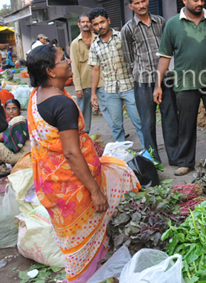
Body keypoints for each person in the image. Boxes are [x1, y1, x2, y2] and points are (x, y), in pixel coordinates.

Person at [25, 44, 140, 282]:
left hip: (51, 185)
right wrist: (95, 192)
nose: (69, 61)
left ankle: (96, 271)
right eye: (62, 59)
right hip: (74, 188)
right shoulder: (62, 105)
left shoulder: (36, 96)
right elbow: (71, 153)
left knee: (73, 240)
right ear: (50, 71)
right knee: (84, 246)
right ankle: (83, 277)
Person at [154, 0, 206, 176]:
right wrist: (158, 85)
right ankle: (186, 161)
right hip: (185, 83)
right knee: (186, 124)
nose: (200, 3)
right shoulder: (172, 24)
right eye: (195, 0)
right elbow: (164, 57)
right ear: (185, 0)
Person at [121, 0, 179, 165]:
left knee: (170, 119)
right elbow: (128, 58)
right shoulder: (128, 29)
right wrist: (138, 73)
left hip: (165, 78)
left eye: (143, 1)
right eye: (136, 3)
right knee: (148, 123)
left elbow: (168, 49)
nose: (141, 5)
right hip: (143, 82)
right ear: (131, 6)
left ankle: (175, 157)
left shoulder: (160, 22)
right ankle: (153, 161)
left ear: (147, 1)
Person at [88, 7, 145, 146]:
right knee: (116, 126)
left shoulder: (122, 37)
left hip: (130, 86)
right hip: (110, 90)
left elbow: (137, 57)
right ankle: (121, 152)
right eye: (96, 24)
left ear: (108, 21)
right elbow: (95, 70)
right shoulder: (95, 46)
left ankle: (149, 153)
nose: (100, 26)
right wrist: (93, 93)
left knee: (139, 122)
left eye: (102, 22)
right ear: (92, 27)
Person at [70, 14, 112, 133]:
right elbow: (74, 67)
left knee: (108, 108)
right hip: (84, 84)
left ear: (91, 24)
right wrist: (77, 87)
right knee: (83, 112)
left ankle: (117, 131)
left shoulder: (98, 40)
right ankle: (84, 135)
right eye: (83, 22)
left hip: (101, 81)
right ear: (79, 25)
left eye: (88, 22)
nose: (85, 24)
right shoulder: (75, 44)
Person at [0, 99, 30, 167]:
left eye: (14, 108)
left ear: (19, 110)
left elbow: (3, 137)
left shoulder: (20, 120)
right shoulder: (7, 122)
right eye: (8, 109)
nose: (11, 111)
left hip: (23, 154)